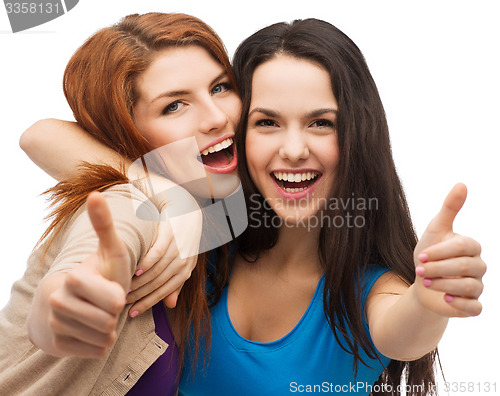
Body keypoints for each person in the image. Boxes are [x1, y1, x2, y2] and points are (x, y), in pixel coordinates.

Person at [20, 18, 486, 396]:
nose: (294, 148)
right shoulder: (195, 224)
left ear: (358, 137)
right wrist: (167, 198)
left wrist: (429, 300)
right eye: (267, 122)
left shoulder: (365, 289)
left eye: (321, 123)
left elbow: (403, 332)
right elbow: (40, 137)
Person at [0, 12, 242, 395]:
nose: (217, 117)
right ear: (124, 131)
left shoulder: (229, 212)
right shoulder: (128, 205)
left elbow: (40, 135)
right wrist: (67, 305)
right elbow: (79, 276)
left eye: (220, 87)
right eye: (174, 106)